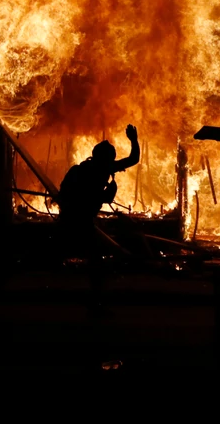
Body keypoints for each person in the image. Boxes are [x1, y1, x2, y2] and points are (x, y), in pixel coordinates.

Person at [57, 124, 140, 310]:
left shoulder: (90, 168)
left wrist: (134, 140)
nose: (112, 162)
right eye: (110, 158)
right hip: (77, 219)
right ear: (103, 158)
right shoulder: (89, 172)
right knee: (94, 257)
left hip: (77, 218)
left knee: (86, 255)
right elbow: (78, 196)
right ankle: (95, 301)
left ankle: (91, 297)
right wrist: (106, 195)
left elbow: (133, 159)